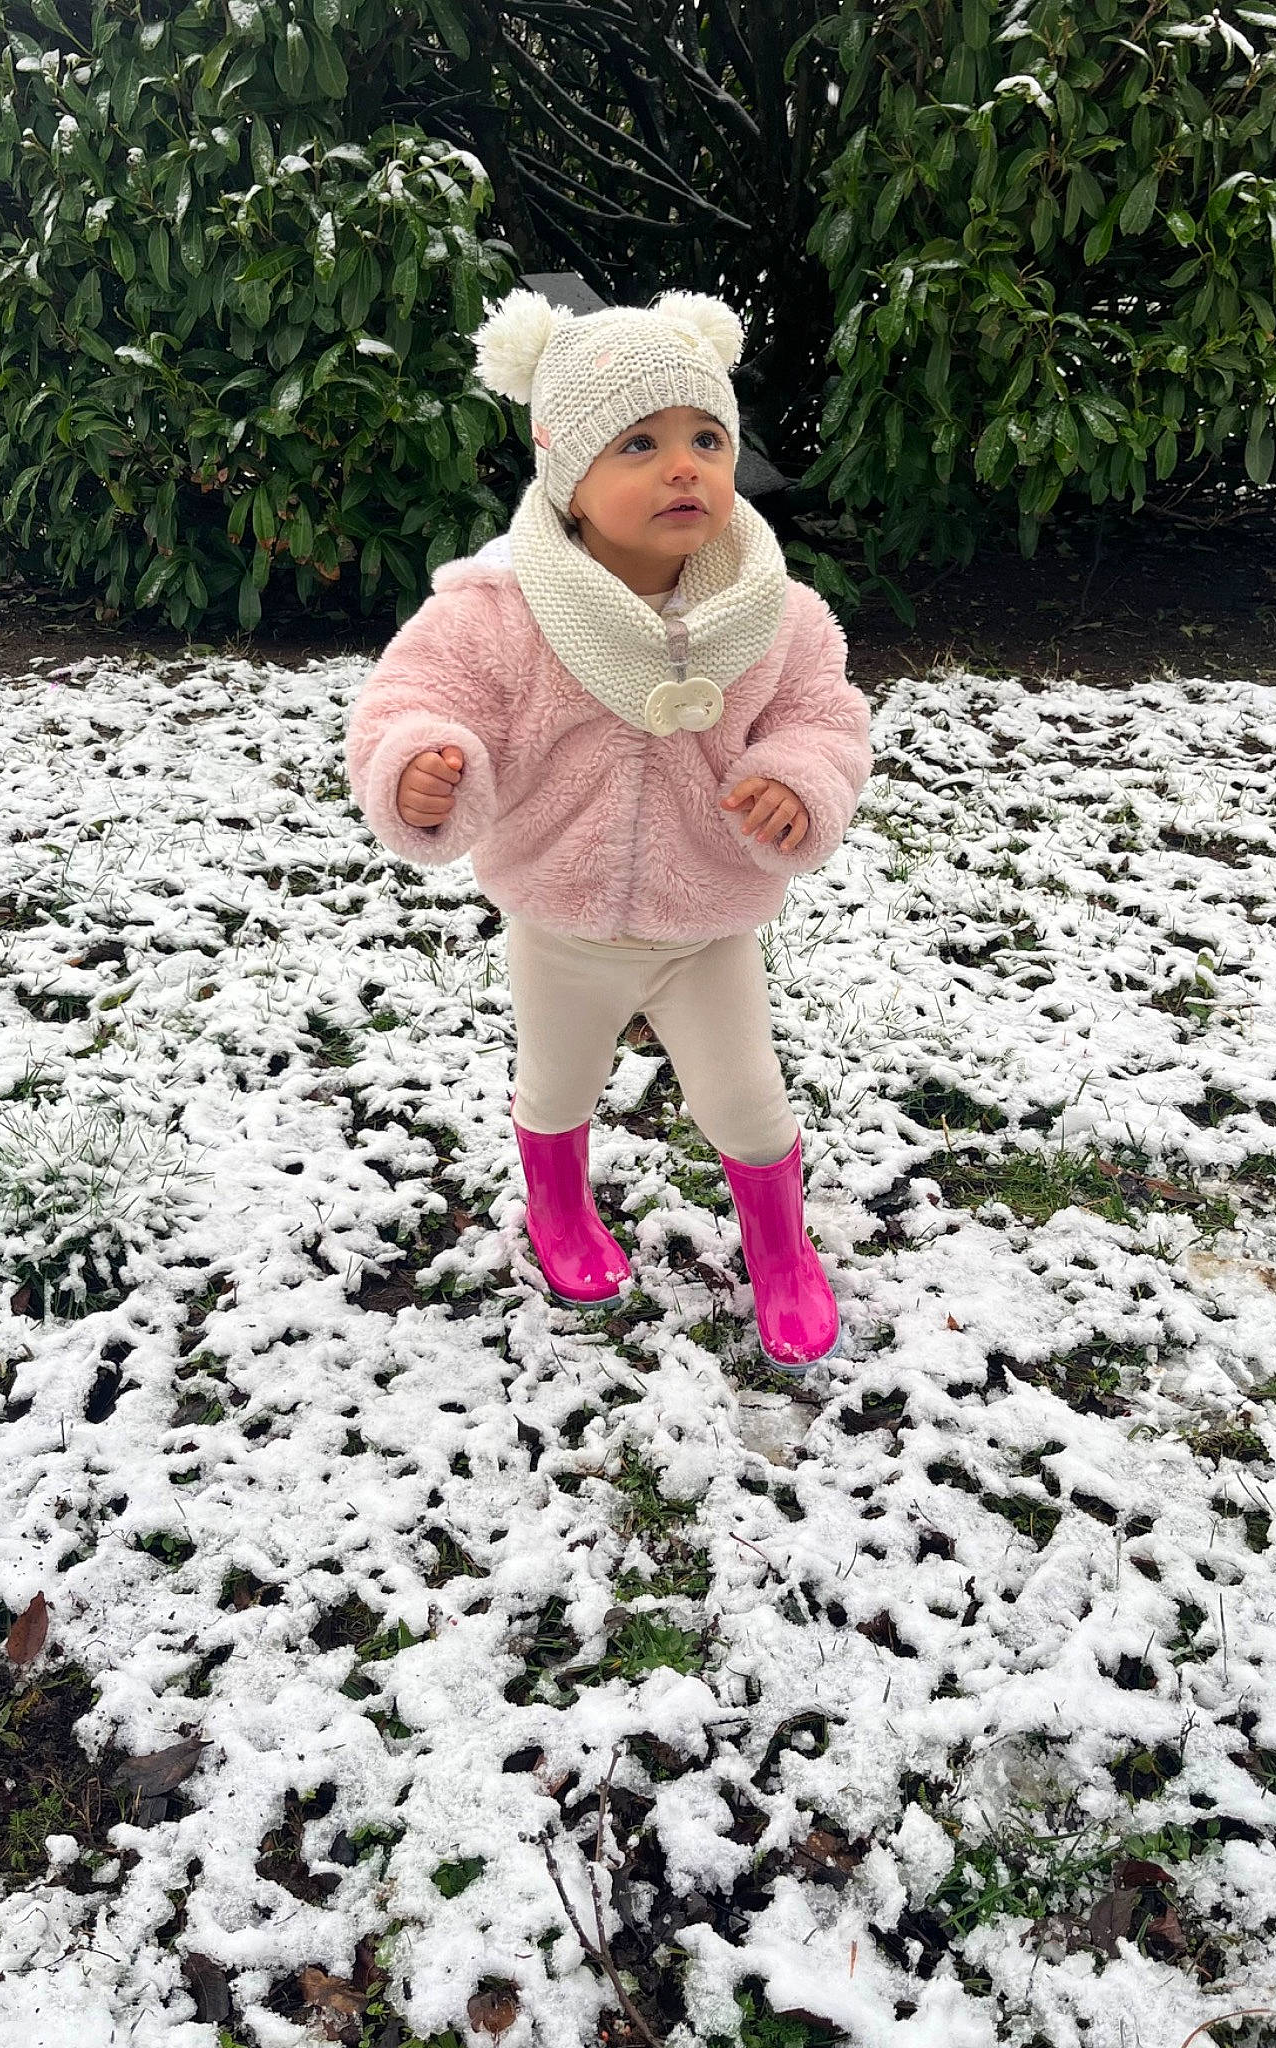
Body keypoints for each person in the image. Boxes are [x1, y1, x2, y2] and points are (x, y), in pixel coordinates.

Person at [344, 287, 871, 1370]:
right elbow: (410, 695)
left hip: (705, 923)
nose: (684, 466)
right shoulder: (498, 611)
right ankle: (559, 1210)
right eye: (639, 443)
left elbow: (825, 716)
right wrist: (420, 767)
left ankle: (778, 1249)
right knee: (557, 1081)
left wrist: (796, 777)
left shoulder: (775, 611)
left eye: (706, 438)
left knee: (749, 1104)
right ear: (568, 480)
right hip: (560, 920)